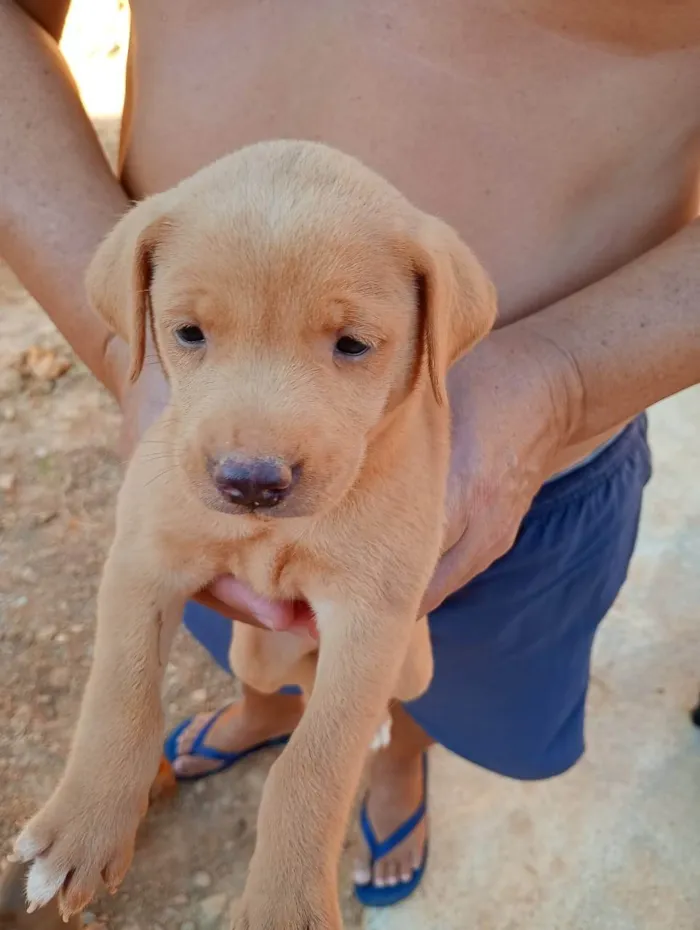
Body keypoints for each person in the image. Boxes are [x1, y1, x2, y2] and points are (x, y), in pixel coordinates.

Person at [1, 0, 699, 910]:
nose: (259, 454)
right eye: (191, 331)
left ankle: (395, 762)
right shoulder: (205, 432)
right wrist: (125, 364)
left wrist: (559, 378)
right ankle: (261, 712)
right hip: (174, 445)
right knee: (247, 639)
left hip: (544, 476)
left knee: (417, 681)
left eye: (351, 343)